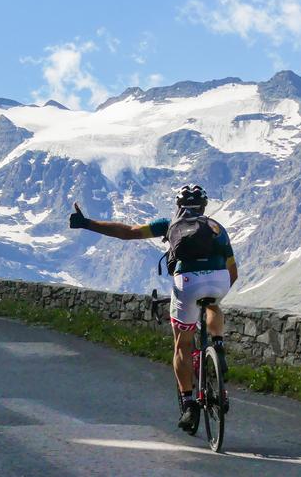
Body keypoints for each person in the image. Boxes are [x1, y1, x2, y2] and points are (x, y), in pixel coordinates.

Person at [69, 184, 238, 432]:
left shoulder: (168, 225)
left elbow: (128, 232)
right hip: (217, 280)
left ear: (178, 206)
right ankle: (218, 344)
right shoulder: (216, 228)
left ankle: (189, 403)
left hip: (187, 281)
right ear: (204, 206)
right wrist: (216, 292)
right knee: (213, 304)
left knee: (182, 344)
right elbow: (232, 271)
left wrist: (87, 223)